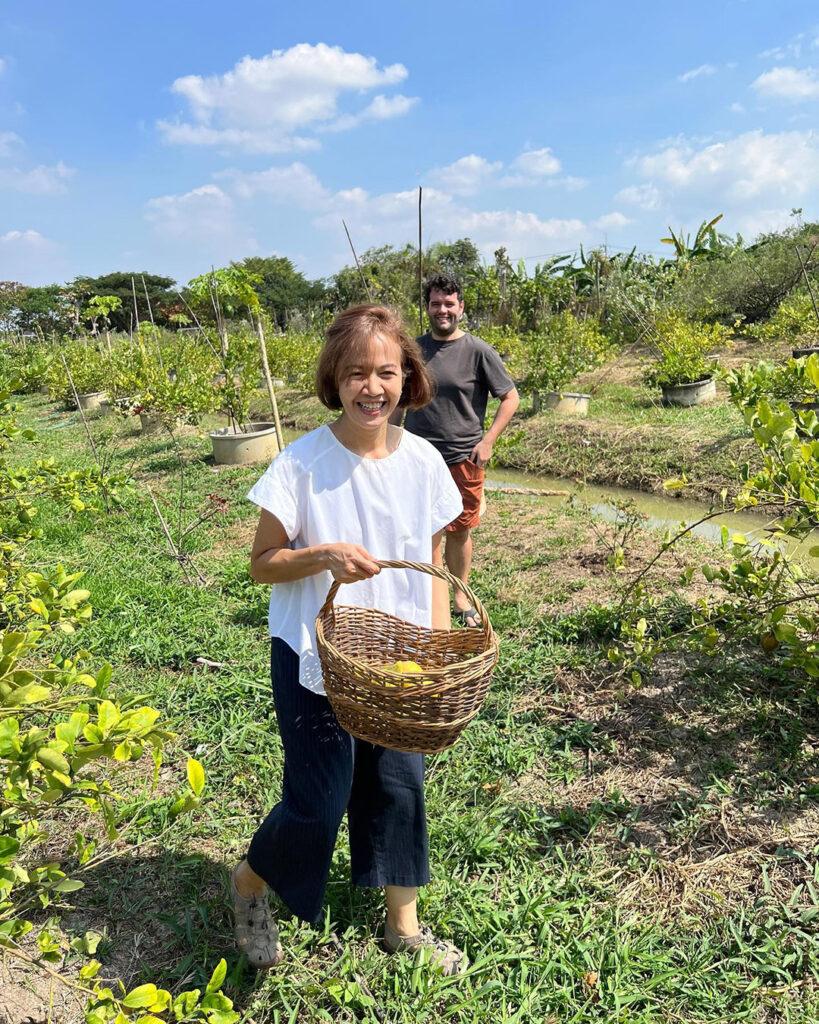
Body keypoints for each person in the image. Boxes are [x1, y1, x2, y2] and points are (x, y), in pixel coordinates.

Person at [230, 304, 466, 975]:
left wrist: (437, 658)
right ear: (334, 380)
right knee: (319, 799)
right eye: (356, 372)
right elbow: (261, 564)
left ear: (407, 378)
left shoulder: (423, 463)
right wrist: (322, 554)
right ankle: (250, 883)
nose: (372, 386)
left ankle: (403, 926)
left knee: (399, 785)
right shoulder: (301, 465)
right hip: (313, 654)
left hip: (396, 656)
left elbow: (434, 569)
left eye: (386, 371)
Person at [403, 275, 519, 627]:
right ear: (427, 308)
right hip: (418, 457)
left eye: (449, 304)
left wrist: (488, 441)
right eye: (436, 303)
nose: (443, 310)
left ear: (461, 308)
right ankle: (429, 597)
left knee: (459, 529)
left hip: (463, 457)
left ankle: (460, 594)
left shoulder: (478, 351)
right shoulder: (413, 350)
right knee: (424, 529)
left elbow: (510, 398)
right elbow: (399, 401)